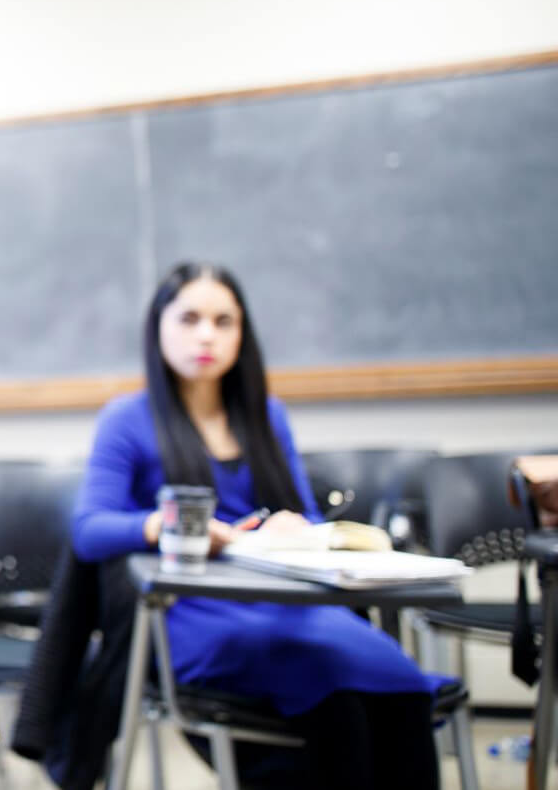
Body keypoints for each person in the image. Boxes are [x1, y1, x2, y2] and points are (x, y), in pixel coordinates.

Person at [71, 261, 443, 789]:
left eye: (224, 321)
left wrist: (299, 529)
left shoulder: (266, 415)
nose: (207, 335)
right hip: (191, 608)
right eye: (189, 318)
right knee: (334, 697)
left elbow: (303, 516)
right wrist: (179, 526)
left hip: (282, 604)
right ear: (158, 327)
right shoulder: (127, 419)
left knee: (397, 685)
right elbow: (90, 529)